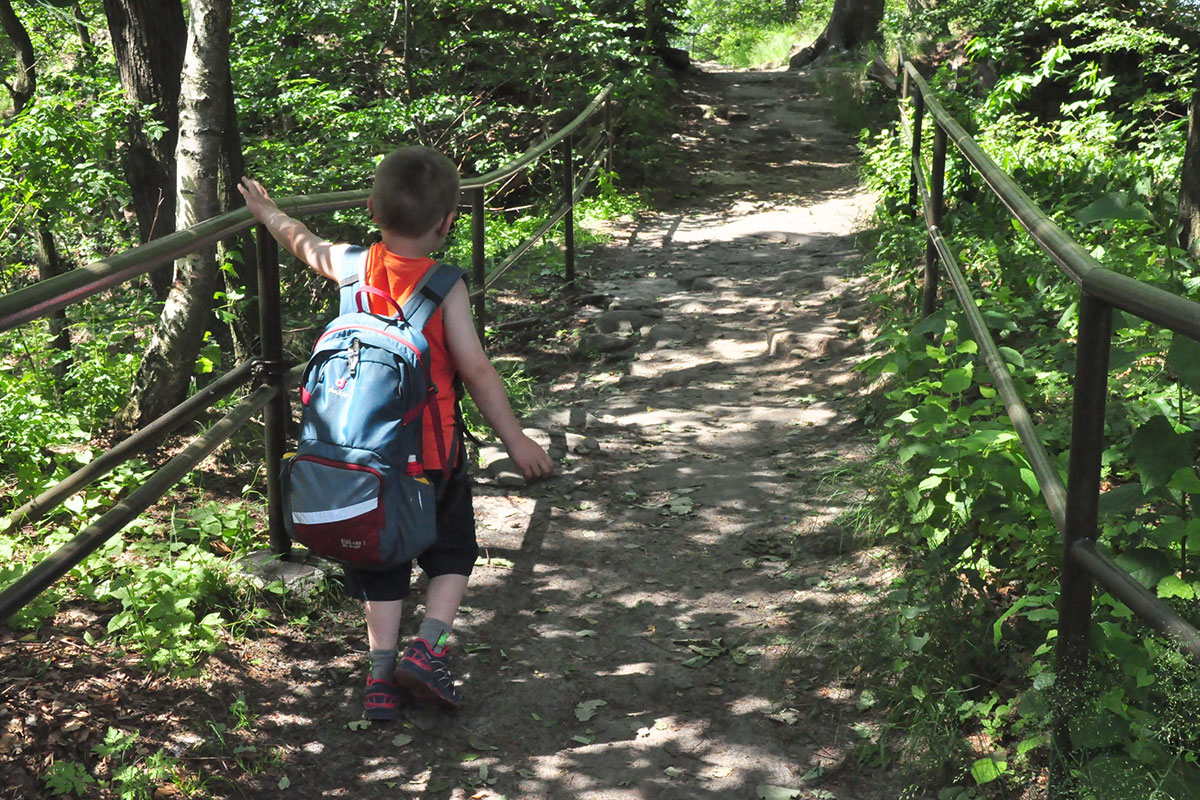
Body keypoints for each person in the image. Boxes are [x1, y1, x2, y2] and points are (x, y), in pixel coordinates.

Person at [238, 146, 553, 718]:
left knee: (381, 563)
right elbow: (477, 371)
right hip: (432, 457)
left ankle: (379, 679)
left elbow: (300, 239)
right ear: (448, 222)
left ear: (370, 210)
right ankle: (427, 648)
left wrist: (268, 213)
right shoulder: (445, 286)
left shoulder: (352, 266)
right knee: (452, 551)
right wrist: (516, 441)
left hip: (361, 460)